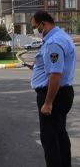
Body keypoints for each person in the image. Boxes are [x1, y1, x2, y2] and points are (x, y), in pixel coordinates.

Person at [30, 11, 76, 167]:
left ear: (44, 24)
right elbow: (53, 69)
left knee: (50, 138)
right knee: (59, 133)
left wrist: (48, 102)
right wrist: (37, 68)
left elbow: (56, 74)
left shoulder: (53, 43)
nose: (34, 30)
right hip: (62, 92)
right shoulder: (62, 37)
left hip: (53, 94)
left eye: (35, 27)